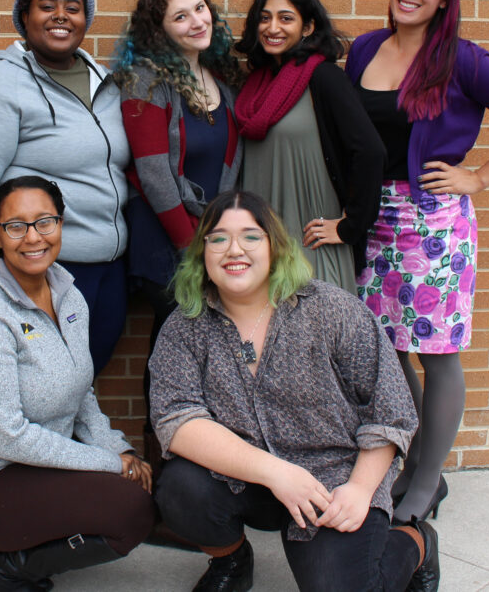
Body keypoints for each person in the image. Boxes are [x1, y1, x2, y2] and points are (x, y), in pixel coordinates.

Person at [345, 0, 489, 524]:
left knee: (436, 356)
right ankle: (412, 463)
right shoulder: (364, 49)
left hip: (432, 225)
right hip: (374, 221)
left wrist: (479, 177)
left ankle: (426, 481)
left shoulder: (463, 60)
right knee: (386, 354)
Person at [149, 190, 438, 592]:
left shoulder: (331, 310)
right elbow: (176, 418)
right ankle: (230, 561)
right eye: (218, 237)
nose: (234, 249)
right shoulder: (185, 326)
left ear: (275, 246)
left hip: (332, 478)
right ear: (202, 252)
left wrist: (359, 489)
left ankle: (416, 541)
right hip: (244, 477)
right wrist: (276, 473)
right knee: (181, 488)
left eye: (251, 236)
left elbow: (390, 411)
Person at [0, 176, 155, 592]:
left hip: (33, 465)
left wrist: (115, 447)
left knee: (140, 486)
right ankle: (8, 568)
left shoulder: (67, 293)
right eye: (16, 226)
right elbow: (7, 437)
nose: (33, 237)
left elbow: (80, 391)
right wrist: (110, 465)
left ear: (61, 225)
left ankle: (43, 534)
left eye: (45, 222)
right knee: (130, 512)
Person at [0, 0, 130, 374]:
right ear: (24, 19)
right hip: (38, 269)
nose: (61, 16)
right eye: (47, 7)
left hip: (107, 270)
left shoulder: (106, 83)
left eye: (73, 8)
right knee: (36, 393)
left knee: (81, 387)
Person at [112, 0, 244, 466]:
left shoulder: (222, 78)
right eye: (180, 16)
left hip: (212, 237)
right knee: (175, 354)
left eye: (200, 9)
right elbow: (153, 173)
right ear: (159, 29)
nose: (195, 22)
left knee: (208, 352)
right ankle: (167, 472)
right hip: (169, 242)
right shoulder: (146, 79)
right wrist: (195, 252)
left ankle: (204, 466)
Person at [233, 0, 385, 294]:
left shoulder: (324, 77)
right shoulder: (255, 84)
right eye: (265, 17)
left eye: (285, 18)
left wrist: (350, 225)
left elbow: (370, 151)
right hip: (258, 247)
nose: (272, 27)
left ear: (307, 27)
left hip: (309, 245)